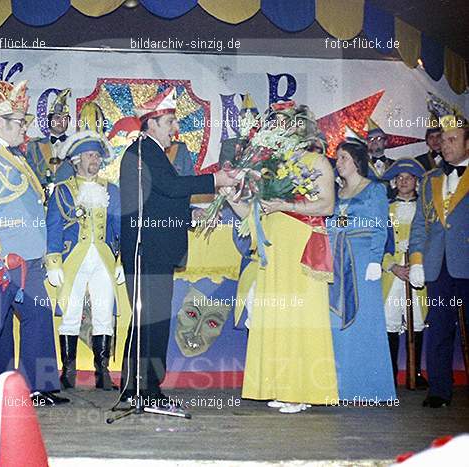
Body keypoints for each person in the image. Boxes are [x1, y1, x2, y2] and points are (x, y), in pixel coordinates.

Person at [118, 87, 240, 409]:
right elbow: (171, 187)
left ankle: (135, 385)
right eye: (170, 120)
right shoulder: (144, 152)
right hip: (149, 250)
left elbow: (159, 199)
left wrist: (190, 213)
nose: (175, 128)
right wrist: (216, 180)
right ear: (152, 123)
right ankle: (147, 390)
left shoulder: (151, 154)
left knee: (147, 319)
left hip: (153, 248)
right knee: (152, 320)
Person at [226, 104, 339, 414]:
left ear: (299, 127)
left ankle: (301, 389)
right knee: (275, 316)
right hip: (273, 247)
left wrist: (284, 205)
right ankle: (278, 384)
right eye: (273, 124)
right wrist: (231, 198)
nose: (277, 129)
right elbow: (254, 213)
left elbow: (327, 206)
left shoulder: (317, 162)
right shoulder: (270, 168)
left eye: (283, 123)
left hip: (300, 246)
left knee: (301, 316)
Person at [0, 79, 68, 406]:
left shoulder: (14, 156)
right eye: (19, 122)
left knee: (38, 316)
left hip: (29, 255)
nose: (24, 128)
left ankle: (37, 386)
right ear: (0, 123)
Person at [45, 131, 122, 390]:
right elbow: (53, 227)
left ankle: (102, 370)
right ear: (77, 160)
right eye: (90, 155)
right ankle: (68, 370)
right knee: (71, 312)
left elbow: (120, 227)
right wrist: (53, 262)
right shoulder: (63, 191)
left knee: (103, 313)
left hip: (104, 258)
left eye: (98, 156)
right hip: (72, 258)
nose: (95, 160)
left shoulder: (112, 190)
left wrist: (121, 261)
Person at [328, 138, 396, 403]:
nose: (338, 162)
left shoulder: (375, 190)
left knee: (365, 322)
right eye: (337, 157)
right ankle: (341, 387)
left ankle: (370, 388)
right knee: (338, 322)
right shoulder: (336, 192)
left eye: (343, 157)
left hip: (362, 259)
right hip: (336, 259)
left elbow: (381, 226)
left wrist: (374, 261)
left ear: (357, 161)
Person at [409, 112, 469, 408]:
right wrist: (417, 259)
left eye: (453, 139)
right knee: (440, 328)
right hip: (439, 266)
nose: (446, 145)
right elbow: (420, 224)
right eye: (443, 140)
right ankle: (439, 390)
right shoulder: (430, 178)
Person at [381, 159, 429, 388]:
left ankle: (415, 372)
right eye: (399, 178)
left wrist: (419, 265)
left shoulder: (426, 208)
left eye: (408, 178)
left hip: (418, 271)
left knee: (417, 320)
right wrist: (393, 266)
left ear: (416, 182)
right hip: (392, 273)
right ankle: (389, 374)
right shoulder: (385, 209)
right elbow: (379, 243)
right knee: (389, 320)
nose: (403, 182)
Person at [26, 88, 74, 188]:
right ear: (49, 120)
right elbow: (29, 175)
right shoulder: (34, 146)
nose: (61, 121)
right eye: (57, 117)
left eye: (65, 118)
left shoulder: (75, 146)